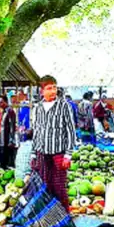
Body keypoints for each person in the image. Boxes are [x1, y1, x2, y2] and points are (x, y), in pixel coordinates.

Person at [31, 76, 77, 209]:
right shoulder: (38, 108)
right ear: (42, 91)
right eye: (49, 88)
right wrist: (33, 154)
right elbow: (36, 131)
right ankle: (47, 216)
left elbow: (70, 130)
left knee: (59, 187)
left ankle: (63, 216)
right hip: (41, 153)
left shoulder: (64, 106)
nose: (53, 91)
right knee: (43, 185)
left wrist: (68, 155)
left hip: (58, 153)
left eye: (54, 87)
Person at [0, 95, 17, 169]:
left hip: (7, 137)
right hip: (2, 137)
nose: (0, 104)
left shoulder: (10, 111)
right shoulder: (3, 112)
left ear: (6, 102)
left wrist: (11, 139)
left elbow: (12, 126)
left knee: (7, 156)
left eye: (1, 102)